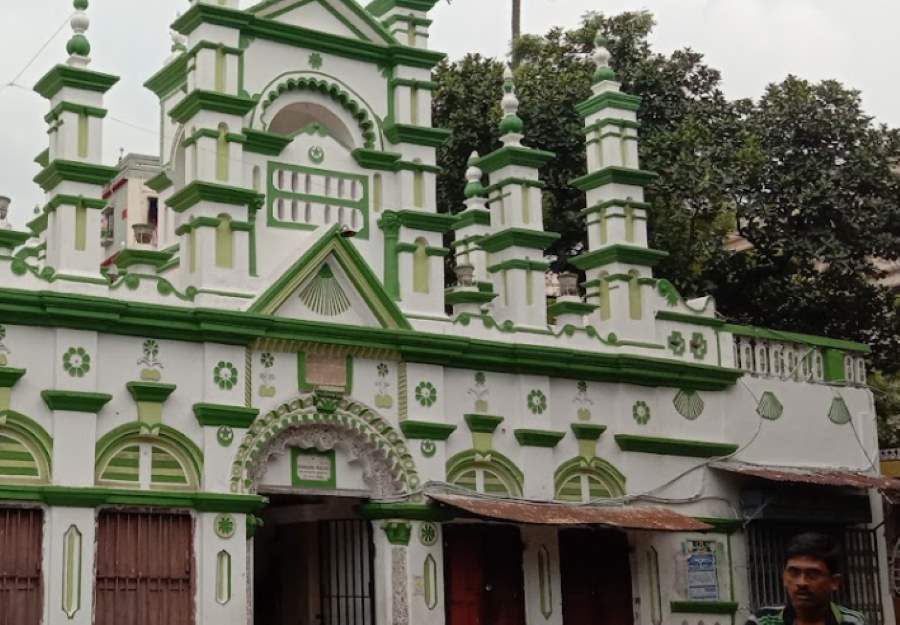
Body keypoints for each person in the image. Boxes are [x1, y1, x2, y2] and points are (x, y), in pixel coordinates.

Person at [746, 532, 868, 625]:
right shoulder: (763, 620)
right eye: (794, 573)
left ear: (834, 582)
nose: (802, 583)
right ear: (784, 577)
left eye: (813, 574)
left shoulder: (852, 621)